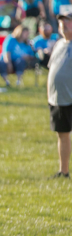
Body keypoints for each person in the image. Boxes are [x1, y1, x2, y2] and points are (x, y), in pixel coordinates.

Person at [47, 12, 72, 179]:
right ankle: (64, 172)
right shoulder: (58, 44)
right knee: (62, 134)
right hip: (56, 99)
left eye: (67, 21)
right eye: (61, 21)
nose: (63, 23)